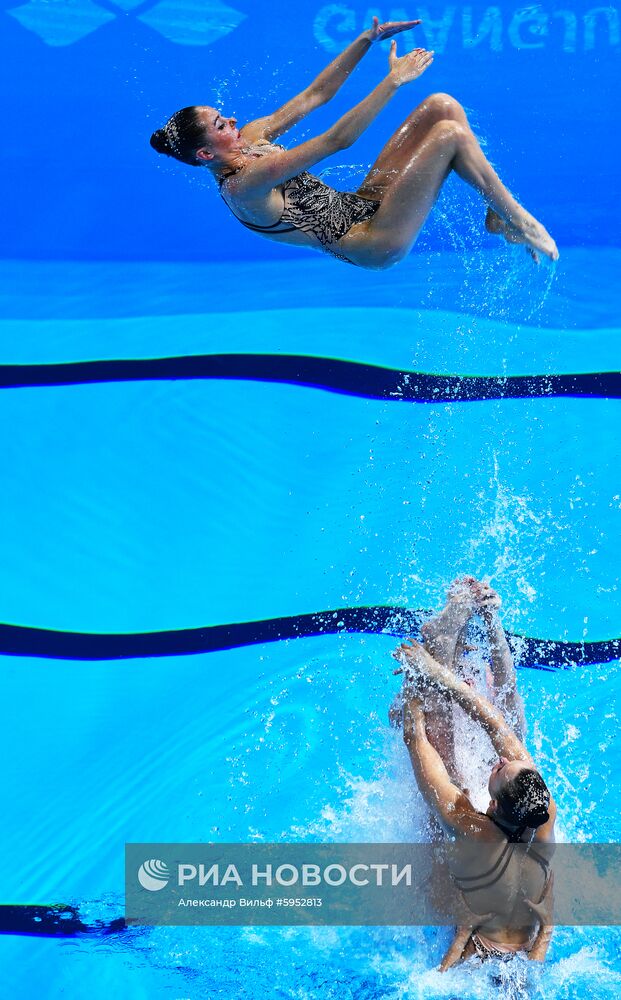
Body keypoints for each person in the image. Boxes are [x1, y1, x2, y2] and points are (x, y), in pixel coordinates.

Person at [150, 19, 558, 269]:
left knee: (441, 106)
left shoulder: (252, 139)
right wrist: (392, 81)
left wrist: (367, 40)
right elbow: (338, 140)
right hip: (372, 242)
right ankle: (518, 219)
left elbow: (315, 96)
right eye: (221, 123)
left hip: (364, 205)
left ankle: (497, 215)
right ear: (205, 154)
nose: (234, 120)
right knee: (449, 136)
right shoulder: (245, 185)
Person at [391, 577, 556, 967]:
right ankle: (487, 622)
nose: (501, 760)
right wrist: (489, 628)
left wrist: (418, 684)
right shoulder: (540, 807)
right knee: (513, 724)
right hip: (504, 931)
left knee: (442, 780)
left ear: (495, 802)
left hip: (476, 947)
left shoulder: (475, 829)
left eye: (500, 770)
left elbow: (418, 745)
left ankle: (443, 643)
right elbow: (500, 726)